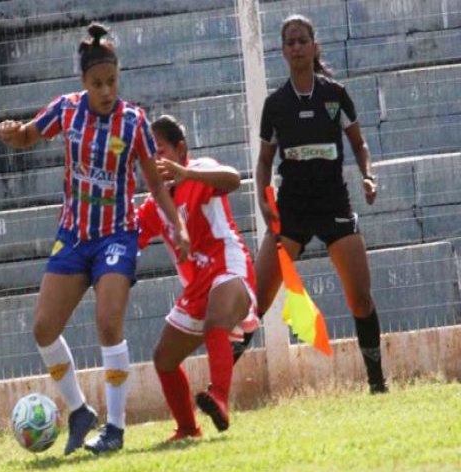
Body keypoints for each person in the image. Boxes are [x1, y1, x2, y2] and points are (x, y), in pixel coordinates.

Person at [0, 24, 190, 455]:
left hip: (116, 236)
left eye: (112, 82)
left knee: (108, 323)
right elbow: (30, 134)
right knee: (44, 329)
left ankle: (116, 429)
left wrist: (176, 223)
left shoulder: (133, 121)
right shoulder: (67, 110)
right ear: (83, 83)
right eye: (97, 84)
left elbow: (155, 183)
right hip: (74, 234)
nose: (106, 91)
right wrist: (14, 133)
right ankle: (81, 411)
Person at [254, 14, 387, 394]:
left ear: (314, 46)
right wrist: (265, 201)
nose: (296, 48)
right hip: (292, 208)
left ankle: (377, 384)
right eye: (290, 42)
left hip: (333, 203)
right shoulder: (276, 104)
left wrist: (368, 175)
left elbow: (359, 144)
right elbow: (264, 161)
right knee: (258, 299)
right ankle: (217, 392)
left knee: (360, 298)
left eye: (302, 41)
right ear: (283, 51)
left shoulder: (335, 95)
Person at [137, 115, 259, 441]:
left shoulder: (201, 169)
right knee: (164, 358)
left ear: (181, 150)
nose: (153, 160)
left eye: (159, 151)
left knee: (216, 318)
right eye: (147, 154)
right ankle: (188, 429)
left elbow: (233, 178)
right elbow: (128, 238)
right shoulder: (154, 205)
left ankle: (218, 396)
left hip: (229, 269)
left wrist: (187, 172)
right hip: (196, 287)